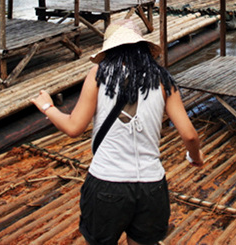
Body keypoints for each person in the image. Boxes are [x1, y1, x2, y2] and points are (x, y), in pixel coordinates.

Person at [30, 19, 204, 245]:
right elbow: (190, 135)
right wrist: (195, 156)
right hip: (151, 185)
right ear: (143, 48)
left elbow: (74, 128)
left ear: (109, 49)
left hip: (107, 181)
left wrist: (47, 107)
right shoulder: (162, 78)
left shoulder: (99, 74)